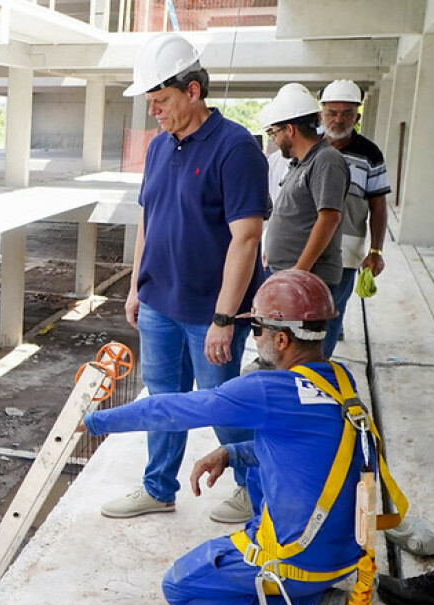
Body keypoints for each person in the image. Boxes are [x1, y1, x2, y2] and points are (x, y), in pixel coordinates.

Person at [81, 271, 407, 605]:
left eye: (256, 328)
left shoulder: (268, 390)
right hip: (342, 555)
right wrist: (231, 453)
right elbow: (302, 447)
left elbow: (170, 409)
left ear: (282, 339)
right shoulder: (338, 379)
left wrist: (93, 419)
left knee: (180, 586)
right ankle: (282, 562)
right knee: (257, 461)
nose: (253, 337)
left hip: (300, 565)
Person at [106, 33, 268, 524]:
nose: (154, 111)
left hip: (208, 313)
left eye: (161, 101)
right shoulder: (158, 148)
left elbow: (247, 238)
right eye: (151, 103)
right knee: (163, 399)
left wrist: (224, 318)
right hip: (159, 303)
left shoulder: (235, 148)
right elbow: (147, 220)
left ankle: (252, 485)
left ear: (193, 90)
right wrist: (137, 287)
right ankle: (158, 487)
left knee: (222, 404)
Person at [261, 83, 350, 333]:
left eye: (274, 133)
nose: (275, 140)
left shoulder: (326, 160)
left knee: (304, 351)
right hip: (288, 276)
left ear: (289, 129)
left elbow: (329, 218)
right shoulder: (300, 164)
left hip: (307, 281)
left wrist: (299, 273)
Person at [319, 79, 390, 358]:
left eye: (347, 113)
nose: (338, 119)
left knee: (332, 312)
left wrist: (375, 251)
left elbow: (379, 204)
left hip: (345, 249)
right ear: (321, 114)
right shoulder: (308, 144)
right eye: (332, 113)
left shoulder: (370, 153)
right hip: (303, 242)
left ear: (357, 117)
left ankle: (317, 370)